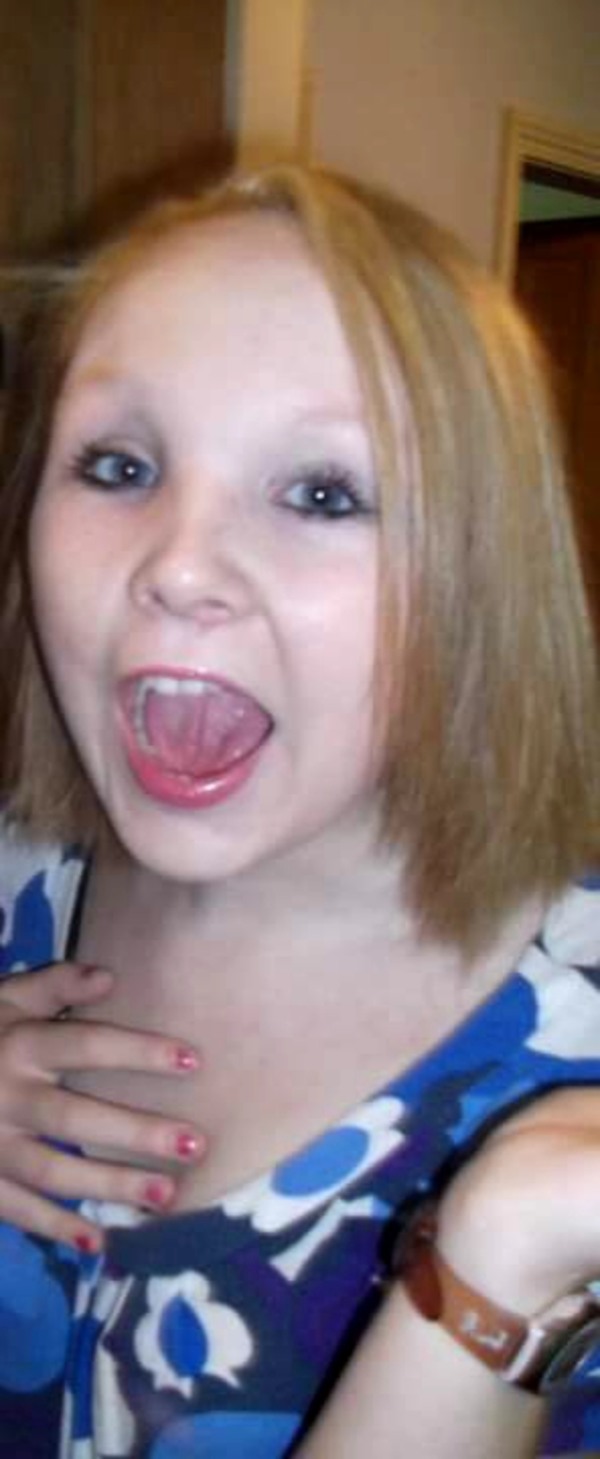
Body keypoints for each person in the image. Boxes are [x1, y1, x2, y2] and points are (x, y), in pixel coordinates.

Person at [0, 161, 598, 1459]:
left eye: (324, 492)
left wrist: (499, 1275)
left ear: (480, 579)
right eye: (117, 464)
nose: (178, 567)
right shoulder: (22, 873)